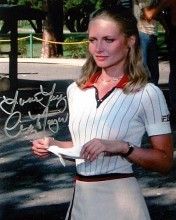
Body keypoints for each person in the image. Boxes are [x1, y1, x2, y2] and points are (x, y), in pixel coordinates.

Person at [32, 6, 173, 220]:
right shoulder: (76, 90)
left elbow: (164, 162)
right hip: (80, 202)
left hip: (122, 205)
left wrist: (122, 147)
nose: (98, 48)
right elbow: (85, 146)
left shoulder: (148, 93)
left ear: (130, 42)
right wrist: (54, 145)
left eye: (108, 39)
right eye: (92, 40)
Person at [143, 0, 176, 121]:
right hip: (146, 34)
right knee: (147, 74)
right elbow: (149, 14)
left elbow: (152, 15)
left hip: (161, 35)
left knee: (156, 75)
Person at [133, 0, 160, 85]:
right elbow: (149, 15)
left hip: (152, 34)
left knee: (154, 72)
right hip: (142, 33)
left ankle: (153, 95)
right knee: (143, 70)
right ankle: (142, 95)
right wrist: (164, 3)